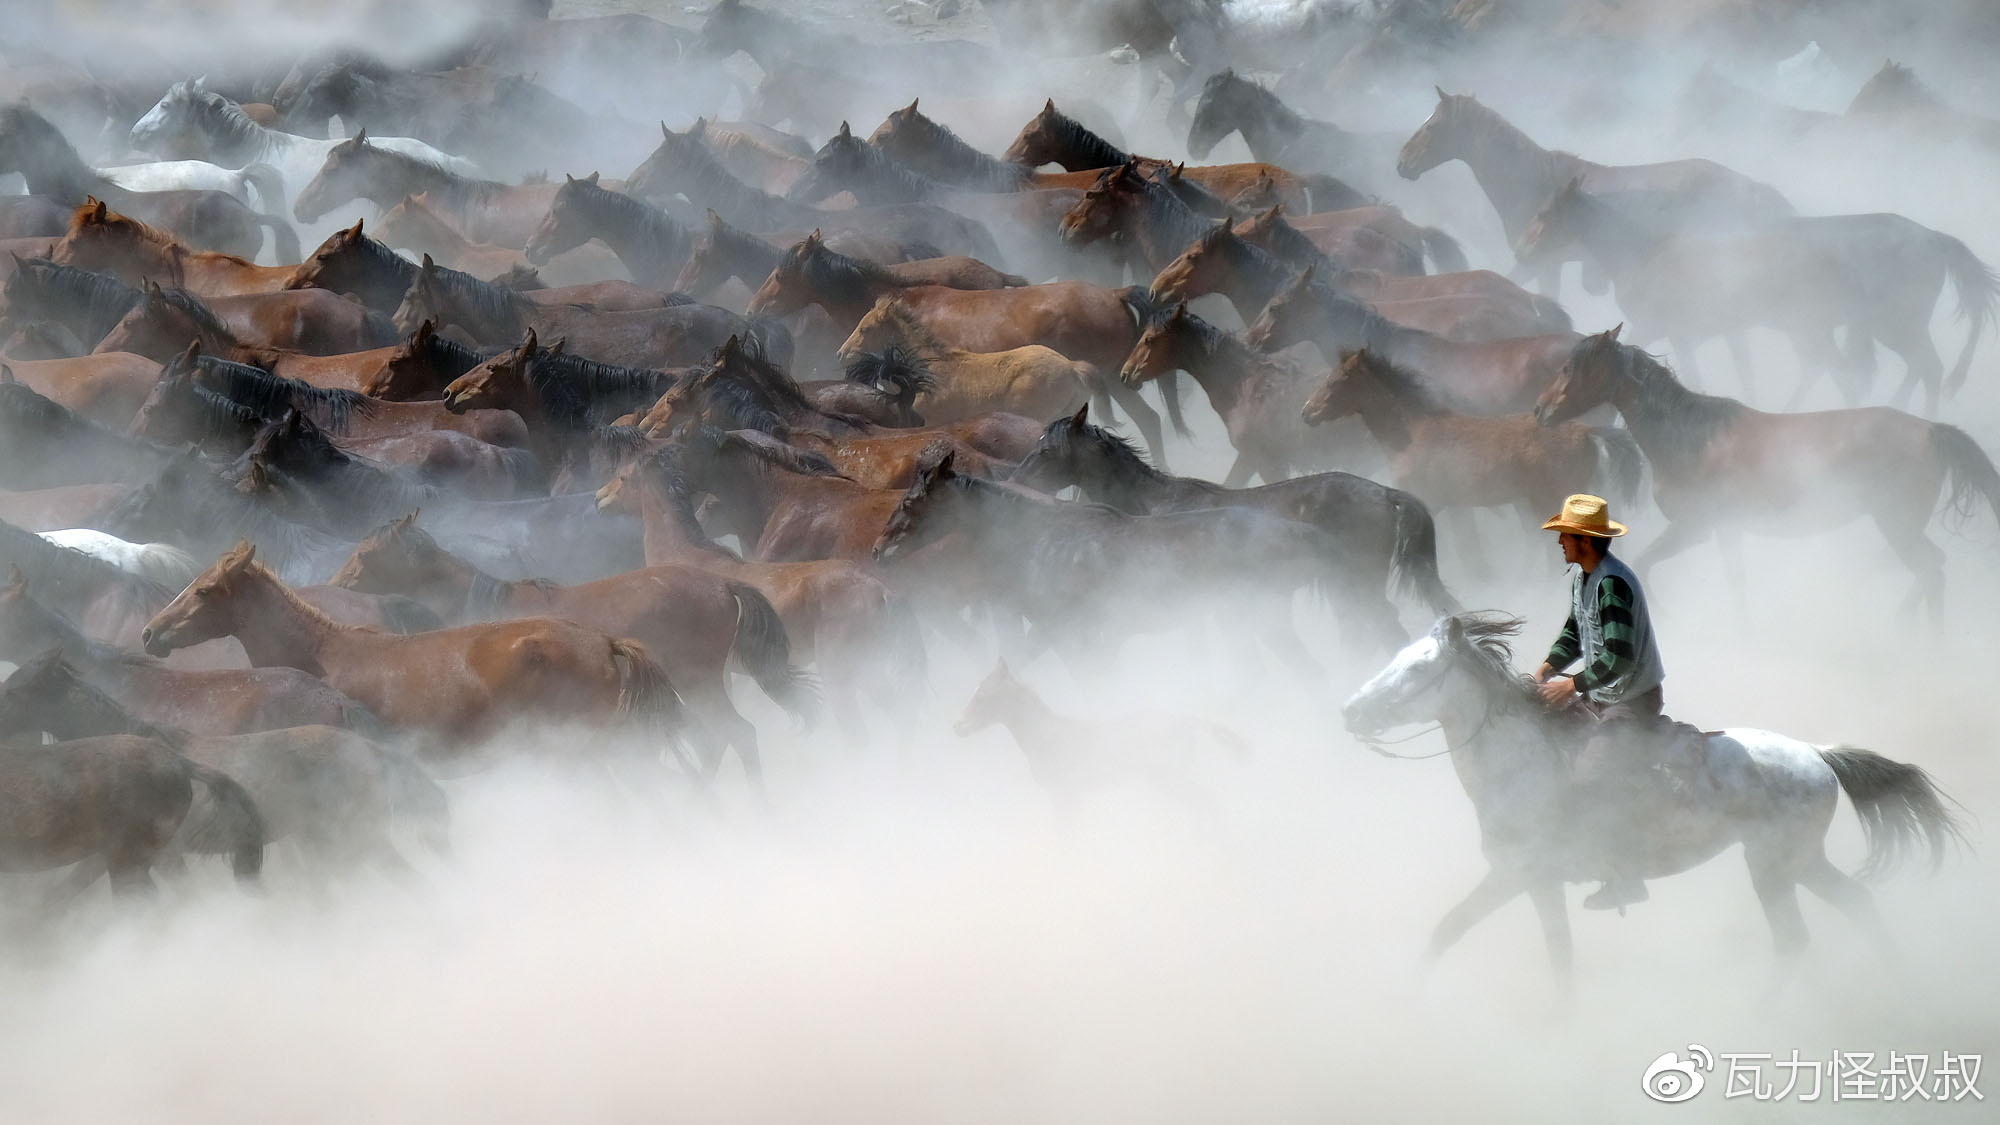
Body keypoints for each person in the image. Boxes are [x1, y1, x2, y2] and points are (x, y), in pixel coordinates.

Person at [1531, 494, 1667, 911]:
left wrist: (1570, 687)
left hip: (1631, 701)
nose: (1559, 544)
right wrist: (1543, 671)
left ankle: (1627, 878)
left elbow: (1619, 656)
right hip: (1603, 694)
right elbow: (1575, 632)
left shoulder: (1611, 583)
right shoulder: (1584, 577)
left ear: (1584, 542)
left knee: (1591, 778)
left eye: (1565, 536)